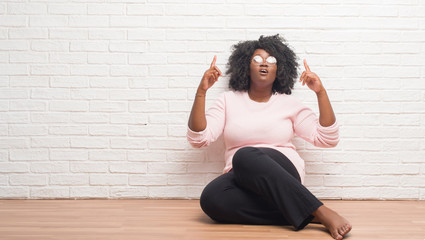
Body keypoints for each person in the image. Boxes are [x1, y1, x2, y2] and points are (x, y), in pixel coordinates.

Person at [186, 34, 352, 240]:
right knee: (211, 199)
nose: (264, 63)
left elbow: (327, 138)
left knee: (244, 155)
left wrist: (321, 93)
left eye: (271, 60)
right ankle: (305, 212)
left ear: (279, 69)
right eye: (257, 59)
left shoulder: (289, 104)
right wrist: (201, 92)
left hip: (283, 171)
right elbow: (199, 138)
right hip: (241, 177)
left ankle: (320, 211)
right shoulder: (227, 101)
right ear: (246, 66)